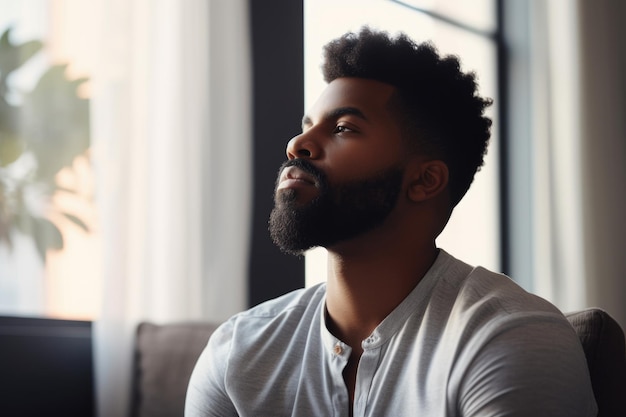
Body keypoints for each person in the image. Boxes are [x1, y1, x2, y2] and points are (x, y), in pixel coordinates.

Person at [185, 27, 597, 416]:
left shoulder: (510, 338)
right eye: (306, 127)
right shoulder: (236, 352)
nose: (298, 145)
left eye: (343, 128)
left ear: (424, 180)